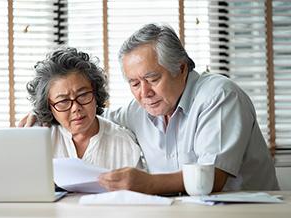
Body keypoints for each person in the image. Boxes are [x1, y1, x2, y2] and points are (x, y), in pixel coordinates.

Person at [20, 24, 279, 194]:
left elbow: (211, 179)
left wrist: (146, 184)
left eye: (153, 79)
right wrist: (44, 114)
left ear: (181, 68)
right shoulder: (139, 110)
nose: (144, 93)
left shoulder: (219, 96)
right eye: (134, 83)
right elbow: (92, 116)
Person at [26, 46, 143, 170]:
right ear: (49, 106)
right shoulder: (39, 140)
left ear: (95, 92)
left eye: (82, 95)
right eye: (63, 101)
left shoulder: (124, 144)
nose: (76, 108)